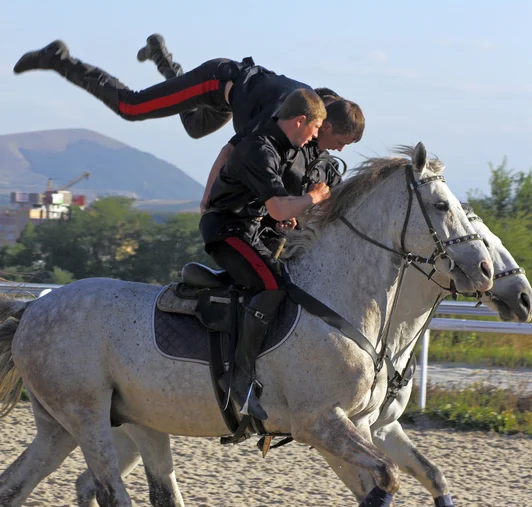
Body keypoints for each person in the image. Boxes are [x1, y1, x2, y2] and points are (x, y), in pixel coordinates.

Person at [13, 36, 364, 208]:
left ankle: (160, 57)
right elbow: (230, 152)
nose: (339, 148)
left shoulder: (323, 107)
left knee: (194, 128)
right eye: (341, 141)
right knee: (132, 107)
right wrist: (207, 199)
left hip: (234, 95)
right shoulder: (278, 118)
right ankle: (60, 59)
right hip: (214, 81)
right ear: (324, 125)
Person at [200, 89, 331, 421]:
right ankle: (239, 379)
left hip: (247, 229)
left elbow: (272, 207)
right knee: (271, 286)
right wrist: (312, 198)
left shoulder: (280, 147)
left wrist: (282, 213)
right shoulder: (261, 149)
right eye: (315, 128)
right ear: (300, 121)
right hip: (227, 231)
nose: (317, 136)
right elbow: (277, 204)